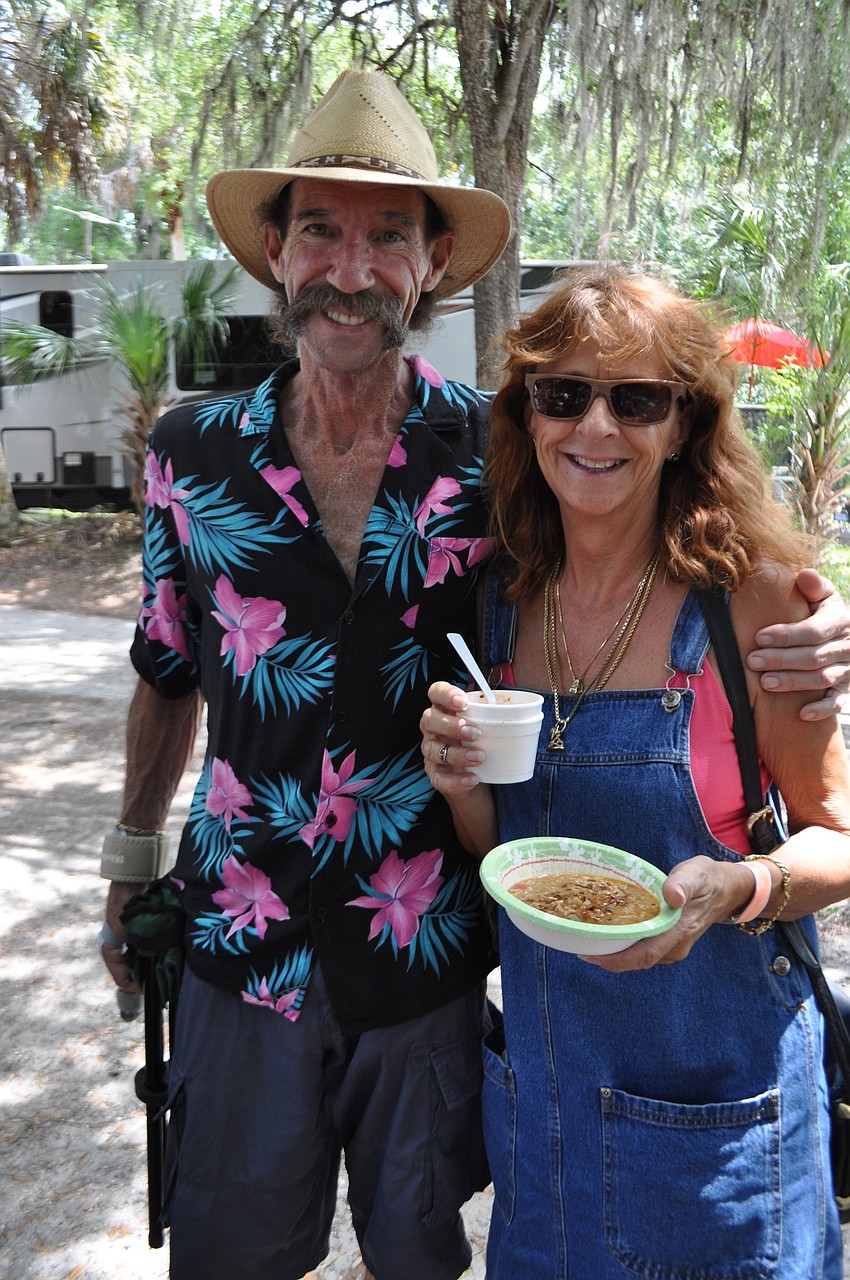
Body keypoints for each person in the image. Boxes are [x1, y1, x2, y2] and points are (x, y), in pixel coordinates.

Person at [97, 68, 848, 1280]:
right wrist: (127, 862)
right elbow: (164, 666)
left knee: (420, 1257)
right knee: (230, 1252)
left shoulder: (489, 461)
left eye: (387, 234)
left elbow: (648, 523)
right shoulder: (189, 454)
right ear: (275, 253)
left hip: (427, 954)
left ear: (434, 260)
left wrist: (812, 611)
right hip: (242, 937)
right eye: (321, 230)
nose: (351, 267)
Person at [421, 262, 850, 1278]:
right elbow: (511, 858)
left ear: (685, 423)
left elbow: (840, 835)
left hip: (722, 1139)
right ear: (527, 416)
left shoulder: (751, 604)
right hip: (546, 1115)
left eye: (637, 399)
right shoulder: (497, 603)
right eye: (563, 394)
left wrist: (737, 887)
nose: (595, 428)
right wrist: (463, 788)